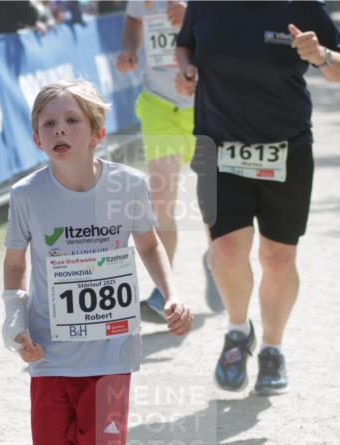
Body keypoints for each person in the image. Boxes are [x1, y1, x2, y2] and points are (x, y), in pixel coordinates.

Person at [2, 80, 192, 445]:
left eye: (72, 122)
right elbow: (16, 265)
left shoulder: (127, 186)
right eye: (49, 124)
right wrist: (14, 322)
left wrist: (171, 294)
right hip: (50, 353)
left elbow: (150, 244)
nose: (60, 130)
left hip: (112, 355)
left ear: (98, 133)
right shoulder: (27, 195)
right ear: (38, 138)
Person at [175, 1, 340, 394]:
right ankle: (238, 333)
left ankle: (273, 348)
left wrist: (321, 56)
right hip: (218, 144)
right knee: (226, 251)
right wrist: (187, 71)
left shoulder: (302, 6)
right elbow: (185, 44)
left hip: (286, 147)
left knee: (278, 256)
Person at [117, 0, 223, 322]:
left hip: (208, 102)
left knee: (212, 202)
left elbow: (232, 30)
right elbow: (134, 20)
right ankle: (164, 291)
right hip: (158, 105)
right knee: (162, 201)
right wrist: (129, 51)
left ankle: (217, 262)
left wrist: (192, 14)